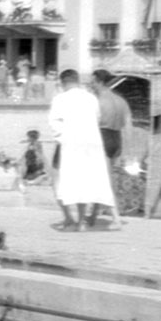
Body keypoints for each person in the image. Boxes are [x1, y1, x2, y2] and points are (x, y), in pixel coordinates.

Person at [48, 68, 115, 230]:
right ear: (77, 80)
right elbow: (97, 118)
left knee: (63, 179)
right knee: (84, 180)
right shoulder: (91, 98)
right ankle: (81, 221)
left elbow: (54, 123)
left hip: (70, 144)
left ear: (63, 82)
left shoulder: (60, 99)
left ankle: (69, 217)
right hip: (91, 144)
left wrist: (62, 139)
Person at [91, 70, 132, 222]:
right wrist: (127, 151)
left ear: (100, 82)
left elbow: (92, 125)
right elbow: (128, 126)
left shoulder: (98, 101)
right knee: (100, 178)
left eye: (93, 82)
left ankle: (116, 218)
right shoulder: (121, 101)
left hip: (103, 138)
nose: (91, 85)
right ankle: (94, 214)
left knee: (105, 181)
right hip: (116, 139)